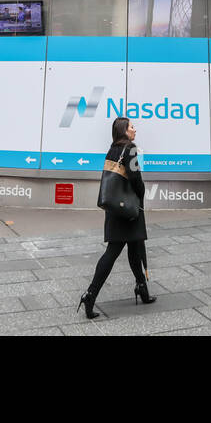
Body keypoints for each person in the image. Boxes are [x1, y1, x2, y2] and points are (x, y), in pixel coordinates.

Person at [78, 117, 155, 319]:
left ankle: (142, 288)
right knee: (114, 252)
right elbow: (135, 178)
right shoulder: (130, 149)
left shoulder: (112, 150)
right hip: (129, 209)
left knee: (134, 246)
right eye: (131, 127)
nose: (134, 130)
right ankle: (90, 293)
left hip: (115, 208)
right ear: (124, 131)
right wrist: (141, 194)